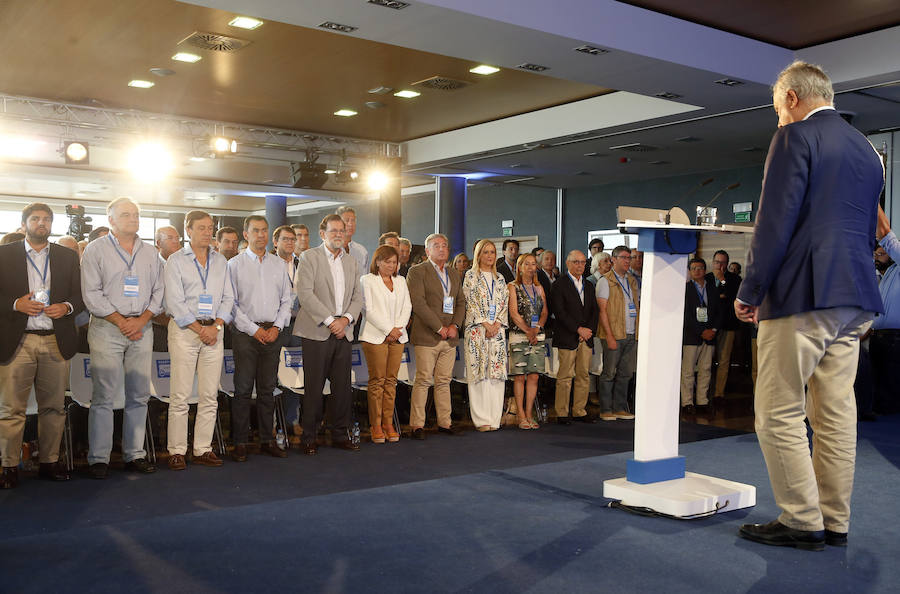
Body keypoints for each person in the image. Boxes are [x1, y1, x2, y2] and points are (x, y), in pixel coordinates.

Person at [735, 61, 884, 551]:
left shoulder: (794, 137)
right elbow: (868, 229)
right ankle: (834, 519)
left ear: (794, 99)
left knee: (777, 411)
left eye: (778, 108)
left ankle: (801, 518)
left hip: (803, 293)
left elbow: (774, 223)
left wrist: (750, 289)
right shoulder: (869, 151)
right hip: (856, 296)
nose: (777, 118)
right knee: (837, 412)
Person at [0, 203, 83, 488]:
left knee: (54, 408)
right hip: (18, 339)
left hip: (54, 340)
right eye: (35, 219)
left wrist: (67, 306)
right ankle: (8, 466)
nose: (42, 223)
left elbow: (79, 295)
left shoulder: (67, 256)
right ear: (24, 224)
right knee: (12, 409)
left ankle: (49, 462)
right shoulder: (4, 254)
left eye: (46, 219)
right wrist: (15, 304)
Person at [81, 197, 164, 478]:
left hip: (143, 329)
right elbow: (91, 293)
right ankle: (99, 459)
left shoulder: (151, 252)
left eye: (136, 214)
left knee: (139, 395)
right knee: (104, 396)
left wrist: (140, 320)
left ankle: (134, 455)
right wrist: (121, 321)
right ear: (112, 220)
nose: (133, 218)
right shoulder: (96, 249)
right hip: (107, 328)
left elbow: (160, 292)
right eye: (126, 214)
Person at [163, 210, 233, 470]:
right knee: (180, 394)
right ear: (188, 230)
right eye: (201, 227)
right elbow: (175, 302)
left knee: (209, 395)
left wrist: (215, 326)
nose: (207, 232)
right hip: (185, 332)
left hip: (214, 331)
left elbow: (228, 299)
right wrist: (199, 328)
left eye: (210, 227)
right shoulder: (176, 261)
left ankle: (203, 448)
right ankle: (177, 451)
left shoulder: (221, 261)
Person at [294, 214, 364, 454]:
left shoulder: (352, 262)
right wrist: (330, 320)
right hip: (317, 331)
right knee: (314, 388)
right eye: (333, 231)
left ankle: (339, 434)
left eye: (341, 231)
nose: (337, 235)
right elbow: (305, 294)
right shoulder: (308, 257)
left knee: (342, 388)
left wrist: (345, 320)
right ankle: (309, 437)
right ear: (322, 234)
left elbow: (358, 297)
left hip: (344, 332)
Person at [227, 215, 292, 462]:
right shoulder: (234, 265)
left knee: (267, 390)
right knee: (243, 390)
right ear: (246, 235)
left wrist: (276, 327)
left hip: (273, 333)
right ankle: (240, 442)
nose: (261, 235)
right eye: (256, 231)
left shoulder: (278, 264)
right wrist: (254, 330)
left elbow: (287, 299)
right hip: (245, 333)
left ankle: (267, 440)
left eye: (265, 231)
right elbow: (231, 303)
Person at [406, 233, 466, 439]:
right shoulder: (417, 271)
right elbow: (418, 303)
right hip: (427, 335)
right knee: (423, 380)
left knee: (444, 381)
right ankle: (417, 425)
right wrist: (439, 328)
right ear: (427, 251)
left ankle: (445, 423)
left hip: (450, 337)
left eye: (445, 246)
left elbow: (460, 303)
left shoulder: (453, 273)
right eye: (436, 246)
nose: (441, 249)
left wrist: (455, 325)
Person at [359, 245, 411, 443]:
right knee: (378, 381)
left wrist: (397, 329)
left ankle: (389, 423)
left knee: (391, 382)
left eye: (394, 262)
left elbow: (408, 306)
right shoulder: (367, 280)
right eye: (387, 261)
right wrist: (388, 330)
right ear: (378, 261)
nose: (391, 265)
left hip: (398, 336)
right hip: (375, 337)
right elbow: (368, 310)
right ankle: (376, 425)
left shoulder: (401, 280)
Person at [462, 239, 509, 431]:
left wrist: (496, 323)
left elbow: (504, 303)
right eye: (486, 252)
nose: (489, 256)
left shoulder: (500, 279)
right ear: (478, 255)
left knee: (495, 375)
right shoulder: (471, 276)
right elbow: (469, 302)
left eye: (492, 252)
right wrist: (485, 323)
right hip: (477, 331)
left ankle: (495, 419)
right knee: (479, 374)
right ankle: (482, 420)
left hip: (497, 332)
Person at [550, 250, 599, 424]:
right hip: (567, 336)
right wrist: (578, 330)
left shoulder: (590, 285)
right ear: (568, 263)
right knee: (565, 376)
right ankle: (562, 412)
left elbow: (595, 311)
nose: (580, 265)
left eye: (583, 262)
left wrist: (588, 331)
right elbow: (560, 312)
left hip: (586, 338)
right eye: (576, 262)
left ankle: (579, 410)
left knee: (584, 375)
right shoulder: (559, 285)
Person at [596, 246, 639, 421]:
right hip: (613, 333)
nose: (628, 261)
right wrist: (610, 336)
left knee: (626, 373)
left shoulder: (632, 280)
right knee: (609, 373)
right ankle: (606, 409)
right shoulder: (605, 281)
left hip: (631, 332)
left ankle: (620, 408)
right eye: (624, 257)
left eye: (630, 258)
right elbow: (602, 311)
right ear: (614, 259)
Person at [507, 253, 548, 429]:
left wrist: (536, 329)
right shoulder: (513, 286)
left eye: (533, 264)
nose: (531, 267)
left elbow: (545, 311)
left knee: (534, 376)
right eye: (527, 264)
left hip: (537, 336)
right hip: (519, 335)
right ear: (520, 267)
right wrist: (527, 330)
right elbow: (514, 313)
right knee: (519, 377)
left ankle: (530, 413)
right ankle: (520, 415)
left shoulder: (539, 287)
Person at [681, 257, 721, 413]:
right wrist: (701, 331)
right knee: (688, 371)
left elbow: (719, 312)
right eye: (694, 268)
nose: (697, 271)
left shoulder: (712, 288)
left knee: (706, 370)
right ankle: (687, 402)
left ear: (705, 270)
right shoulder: (686, 289)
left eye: (700, 268)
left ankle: (702, 401)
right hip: (692, 336)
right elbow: (686, 315)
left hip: (710, 336)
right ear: (690, 272)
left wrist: (714, 330)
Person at [871, 210, 900, 415]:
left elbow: (888, 237)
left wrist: (871, 199)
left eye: (881, 253)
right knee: (878, 388)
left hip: (895, 339)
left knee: (891, 390)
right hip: (878, 338)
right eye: (876, 254)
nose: (877, 257)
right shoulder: (885, 275)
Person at [707, 250, 741, 401]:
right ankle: (704, 392)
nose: (719, 266)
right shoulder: (706, 277)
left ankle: (719, 393)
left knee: (724, 360)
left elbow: (730, 297)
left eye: (723, 263)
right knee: (706, 360)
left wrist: (722, 281)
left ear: (727, 264)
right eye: (717, 262)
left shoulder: (734, 279)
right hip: (708, 324)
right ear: (712, 262)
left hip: (727, 324)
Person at [336, 206, 368, 273]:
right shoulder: (329, 250)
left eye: (353, 220)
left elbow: (364, 278)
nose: (350, 224)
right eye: (347, 220)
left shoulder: (362, 251)